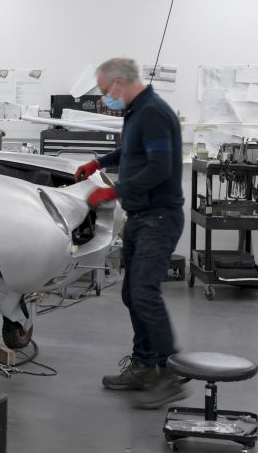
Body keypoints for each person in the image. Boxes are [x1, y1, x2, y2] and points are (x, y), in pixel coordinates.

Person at [74, 57, 187, 409]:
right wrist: (100, 162)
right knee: (132, 294)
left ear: (119, 83)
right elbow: (133, 150)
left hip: (159, 218)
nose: (105, 98)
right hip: (142, 216)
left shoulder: (152, 111)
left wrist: (113, 191)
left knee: (144, 293)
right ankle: (144, 364)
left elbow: (159, 167)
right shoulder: (138, 112)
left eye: (105, 91)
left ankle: (169, 373)